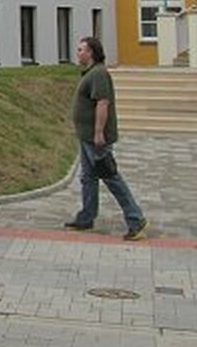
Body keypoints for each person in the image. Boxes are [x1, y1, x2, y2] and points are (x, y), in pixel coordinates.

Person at [65, 36, 147, 241]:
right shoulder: (91, 73)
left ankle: (136, 219)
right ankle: (87, 217)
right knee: (88, 177)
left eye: (81, 50)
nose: (78, 53)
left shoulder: (99, 74)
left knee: (111, 177)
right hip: (86, 137)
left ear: (91, 52)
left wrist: (99, 132)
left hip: (96, 139)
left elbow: (103, 103)